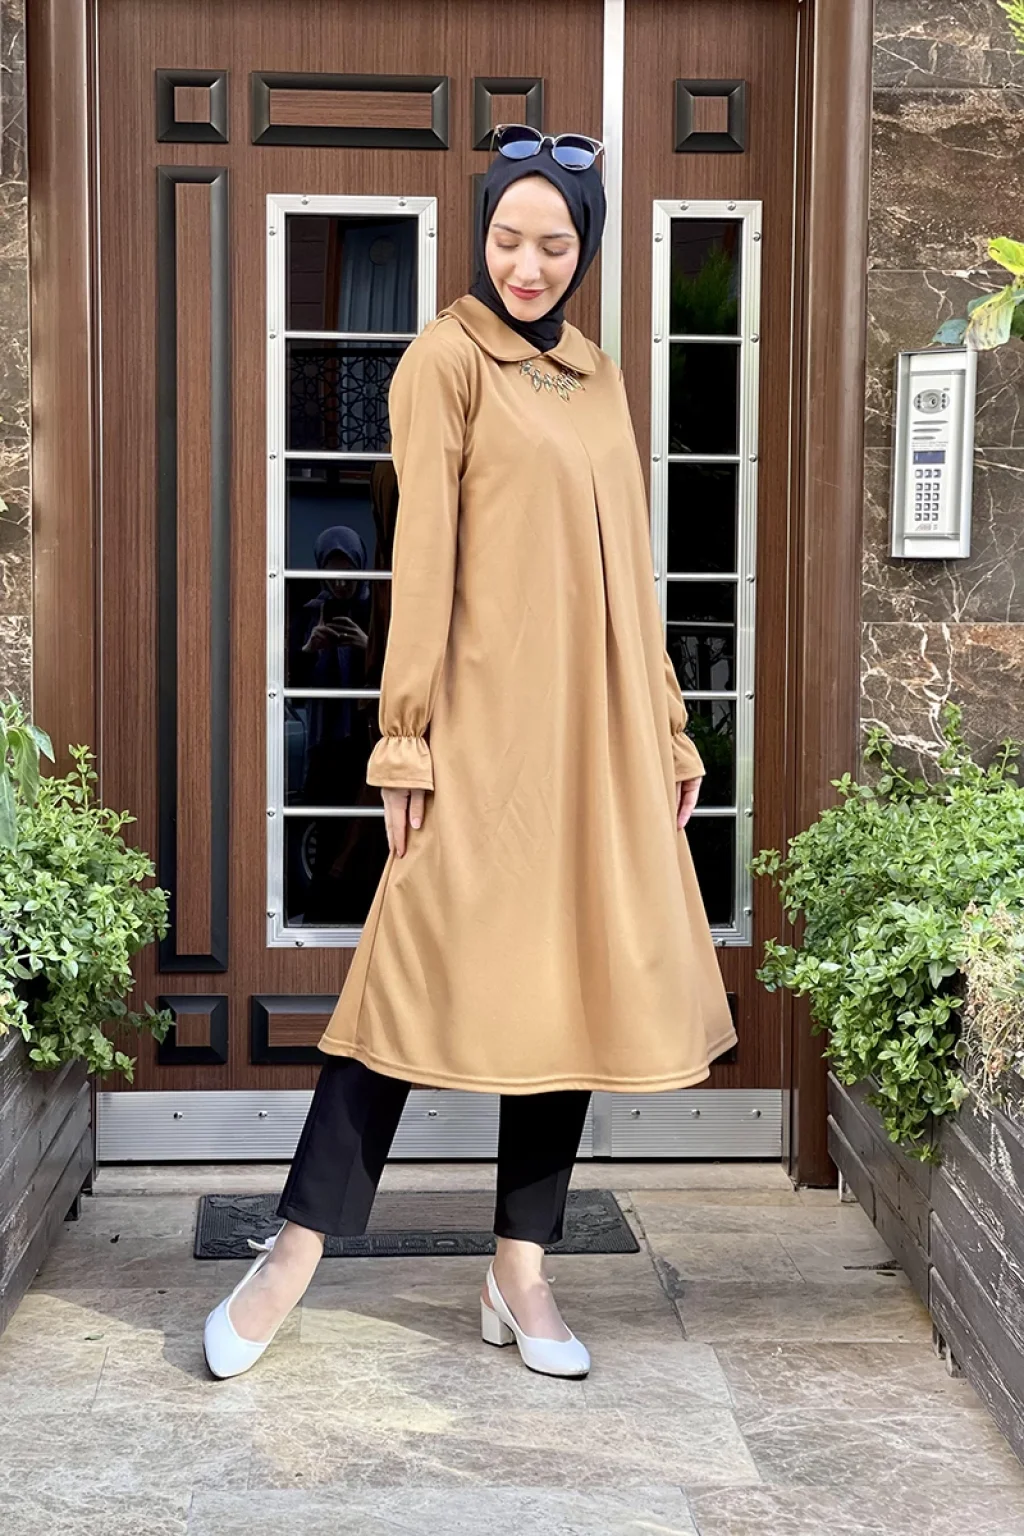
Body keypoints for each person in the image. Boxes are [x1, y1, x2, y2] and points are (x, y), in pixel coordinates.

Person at [204, 126, 737, 1383]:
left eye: (553, 245)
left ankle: (519, 1274)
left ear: (584, 251)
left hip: (595, 734)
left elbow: (633, 570)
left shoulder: (598, 379)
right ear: (479, 234)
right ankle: (290, 1256)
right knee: (397, 988)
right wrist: (404, 741)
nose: (527, 266)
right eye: (507, 238)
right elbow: (423, 562)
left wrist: (667, 722)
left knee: (565, 995)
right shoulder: (444, 359)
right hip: (480, 733)